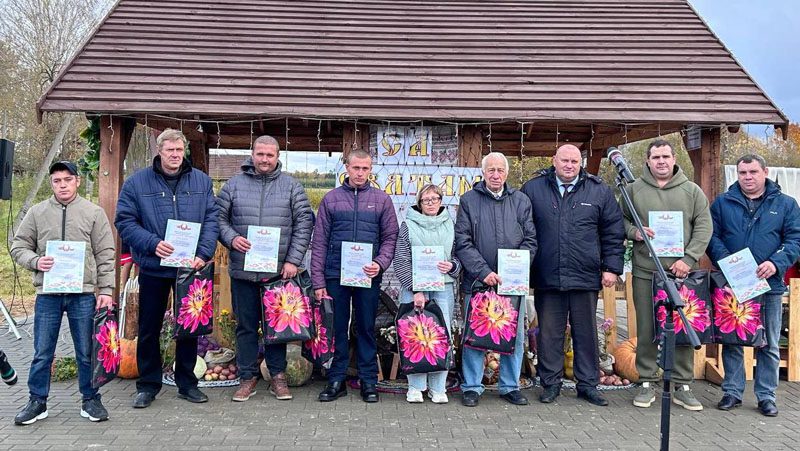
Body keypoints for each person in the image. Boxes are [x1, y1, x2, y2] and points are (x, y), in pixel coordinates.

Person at [115, 129, 219, 408]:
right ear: (159, 151)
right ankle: (148, 385)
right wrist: (151, 243)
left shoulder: (202, 181)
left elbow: (212, 219)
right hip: (153, 266)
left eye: (179, 150)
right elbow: (124, 221)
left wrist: (204, 253)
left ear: (185, 150)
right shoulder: (137, 183)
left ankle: (187, 383)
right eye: (169, 150)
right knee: (149, 327)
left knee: (189, 328)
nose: (175, 155)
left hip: (189, 269)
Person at [10, 161, 115, 424]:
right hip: (48, 293)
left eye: (67, 179)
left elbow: (105, 254)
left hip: (83, 293)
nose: (63, 185)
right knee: (42, 351)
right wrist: (36, 262)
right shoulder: (37, 212)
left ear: (77, 181)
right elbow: (18, 246)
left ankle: (90, 399)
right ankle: (37, 401)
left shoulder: (93, 212)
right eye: (57, 181)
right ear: (51, 183)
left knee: (85, 350)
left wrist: (107, 290)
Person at [521, 144, 625, 407]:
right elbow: (521, 227)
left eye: (574, 161)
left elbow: (613, 232)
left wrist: (611, 267)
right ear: (554, 160)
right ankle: (551, 383)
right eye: (564, 160)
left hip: (585, 274)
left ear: (581, 163)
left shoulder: (598, 190)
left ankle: (588, 384)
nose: (569, 165)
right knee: (549, 334)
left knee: (586, 333)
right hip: (547, 274)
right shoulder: (533, 189)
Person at [217, 135, 313, 402]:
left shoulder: (291, 186)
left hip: (278, 274)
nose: (264, 159)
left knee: (278, 329)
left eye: (270, 155)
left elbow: (304, 223)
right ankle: (247, 378)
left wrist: (293, 260)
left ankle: (278, 377)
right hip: (243, 272)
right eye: (260, 154)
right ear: (252, 153)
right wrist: (231, 238)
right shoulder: (233, 185)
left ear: (278, 156)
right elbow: (218, 218)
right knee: (246, 327)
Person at [621, 139, 712, 411]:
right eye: (655, 157)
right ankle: (647, 380)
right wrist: (634, 233)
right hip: (646, 271)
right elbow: (621, 220)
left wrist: (689, 258)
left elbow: (704, 227)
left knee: (682, 326)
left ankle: (682, 384)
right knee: (648, 327)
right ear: (647, 161)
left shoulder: (691, 191)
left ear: (674, 159)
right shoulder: (632, 190)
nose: (661, 161)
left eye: (665, 156)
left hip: (680, 274)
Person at [707, 154, 800, 417]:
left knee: (768, 342)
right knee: (732, 339)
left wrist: (776, 263)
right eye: (743, 173)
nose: (748, 177)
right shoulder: (723, 203)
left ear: (765, 172)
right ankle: (732, 392)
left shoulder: (785, 205)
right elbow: (712, 236)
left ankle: (766, 396)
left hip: (768, 283)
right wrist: (727, 262)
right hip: (734, 282)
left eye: (753, 172)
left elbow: (795, 239)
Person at [311, 149, 398, 403]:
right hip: (335, 275)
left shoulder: (382, 200)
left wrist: (380, 263)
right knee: (337, 328)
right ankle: (336, 379)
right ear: (346, 168)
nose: (360, 173)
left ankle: (369, 381)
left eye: (365, 168)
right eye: (356, 168)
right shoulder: (331, 199)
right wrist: (318, 281)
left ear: (371, 170)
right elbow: (319, 242)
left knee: (366, 328)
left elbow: (390, 237)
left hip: (367, 276)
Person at [455, 152, 537, 407]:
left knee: (515, 335)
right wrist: (484, 272)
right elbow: (463, 241)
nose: (496, 174)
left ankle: (510, 386)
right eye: (491, 170)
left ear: (507, 173)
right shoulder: (468, 200)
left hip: (511, 284)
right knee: (475, 337)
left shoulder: (521, 201)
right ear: (483, 173)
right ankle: (471, 386)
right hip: (479, 282)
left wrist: (514, 270)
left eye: (500, 170)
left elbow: (531, 240)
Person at [393, 184, 462, 404]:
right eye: (426, 200)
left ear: (442, 201)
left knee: (441, 335)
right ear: (419, 203)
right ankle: (415, 386)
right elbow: (401, 259)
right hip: (414, 289)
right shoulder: (407, 225)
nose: (431, 203)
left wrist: (452, 266)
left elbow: (459, 257)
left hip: (443, 287)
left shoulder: (451, 226)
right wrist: (416, 290)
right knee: (415, 335)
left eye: (435, 198)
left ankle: (438, 387)